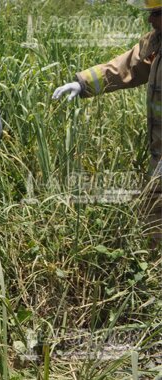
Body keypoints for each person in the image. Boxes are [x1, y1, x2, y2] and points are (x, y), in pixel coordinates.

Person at [52, 0, 162, 247]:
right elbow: (128, 66)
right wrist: (83, 84)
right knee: (155, 212)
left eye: (156, 13)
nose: (150, 20)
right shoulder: (157, 41)